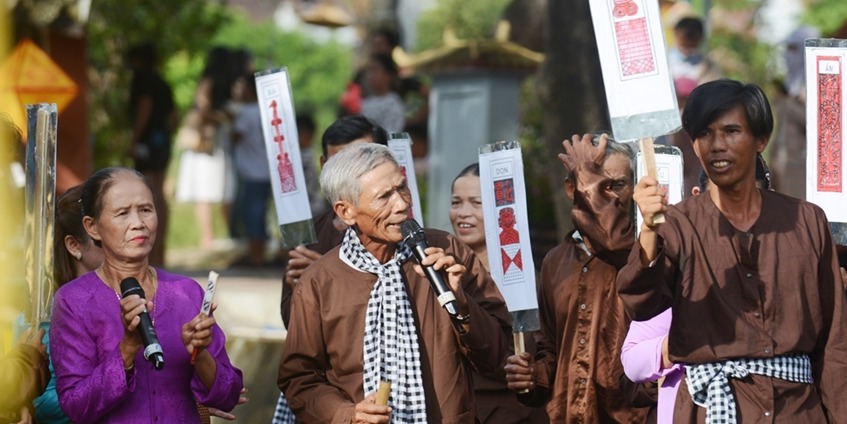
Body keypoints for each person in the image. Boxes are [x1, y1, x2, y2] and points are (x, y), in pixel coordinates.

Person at [617, 79, 847, 422]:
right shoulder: (677, 224)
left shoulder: (807, 221)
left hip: (797, 411)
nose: (717, 146)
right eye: (705, 134)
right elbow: (642, 303)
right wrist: (649, 230)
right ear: (694, 145)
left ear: (760, 140)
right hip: (710, 410)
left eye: (731, 131)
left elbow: (835, 343)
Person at [277, 143, 512, 423]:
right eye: (384, 196)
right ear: (346, 211)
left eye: (401, 188)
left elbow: (498, 356)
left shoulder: (447, 252)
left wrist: (461, 304)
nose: (402, 204)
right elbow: (299, 378)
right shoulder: (319, 281)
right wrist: (347, 414)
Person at [50, 167, 243, 423]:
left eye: (146, 210)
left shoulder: (186, 292)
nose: (138, 223)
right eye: (122, 213)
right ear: (92, 227)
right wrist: (127, 349)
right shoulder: (74, 301)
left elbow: (228, 396)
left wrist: (201, 354)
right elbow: (76, 405)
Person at [504, 134, 649, 422]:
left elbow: (610, 239)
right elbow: (552, 349)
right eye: (595, 184)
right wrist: (532, 376)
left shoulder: (642, 250)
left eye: (616, 185)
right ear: (572, 189)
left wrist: (588, 176)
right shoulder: (556, 260)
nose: (605, 196)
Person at [272, 115, 389, 424]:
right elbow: (295, 333)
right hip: (334, 398)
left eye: (361, 161)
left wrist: (333, 277)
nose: (349, 176)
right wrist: (306, 286)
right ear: (324, 163)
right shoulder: (311, 232)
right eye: (339, 164)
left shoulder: (403, 234)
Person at [449, 163, 548, 423]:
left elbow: (531, 350)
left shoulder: (522, 277)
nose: (463, 213)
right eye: (456, 202)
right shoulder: (443, 270)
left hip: (510, 410)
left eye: (476, 203)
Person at [176, 47, 237, 250]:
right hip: (213, 141)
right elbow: (205, 108)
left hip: (207, 143)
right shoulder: (228, 83)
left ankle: (208, 236)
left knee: (205, 191)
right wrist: (220, 116)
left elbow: (201, 106)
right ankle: (225, 234)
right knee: (220, 189)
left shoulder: (208, 79)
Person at [127, 43, 177, 267]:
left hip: (148, 143)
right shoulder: (163, 83)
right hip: (162, 141)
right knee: (159, 196)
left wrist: (135, 138)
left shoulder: (142, 79)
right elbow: (175, 116)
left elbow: (144, 106)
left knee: (148, 195)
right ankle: (160, 251)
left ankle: (150, 252)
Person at [230, 74, 271, 266]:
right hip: (265, 169)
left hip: (251, 171)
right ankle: (258, 252)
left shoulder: (246, 112)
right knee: (260, 212)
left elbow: (236, 135)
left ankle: (255, 254)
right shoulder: (267, 110)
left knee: (252, 213)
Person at [360, 54, 405, 134]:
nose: (370, 75)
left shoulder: (392, 102)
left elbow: (394, 131)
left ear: (388, 75)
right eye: (369, 71)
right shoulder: (367, 101)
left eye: (375, 70)